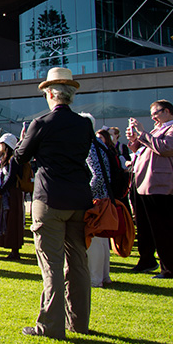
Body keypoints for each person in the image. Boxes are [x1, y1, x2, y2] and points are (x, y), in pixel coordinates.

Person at [15, 67, 93, 339]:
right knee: (78, 263)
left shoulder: (42, 123)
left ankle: (50, 325)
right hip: (79, 198)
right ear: (71, 95)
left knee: (51, 265)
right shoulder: (84, 124)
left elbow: (20, 157)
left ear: (50, 94)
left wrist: (25, 139)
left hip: (50, 197)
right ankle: (78, 322)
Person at [126, 99, 173, 279]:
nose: (153, 117)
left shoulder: (171, 129)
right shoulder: (156, 129)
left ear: (167, 111)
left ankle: (169, 268)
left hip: (160, 184)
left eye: (156, 113)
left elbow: (165, 148)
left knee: (162, 228)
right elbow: (143, 149)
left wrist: (142, 133)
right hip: (143, 183)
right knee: (145, 226)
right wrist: (134, 140)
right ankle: (147, 260)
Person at [82, 121, 114, 287]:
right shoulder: (100, 144)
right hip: (105, 196)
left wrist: (87, 194)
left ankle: (95, 278)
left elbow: (98, 175)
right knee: (101, 240)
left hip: (96, 199)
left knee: (94, 238)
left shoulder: (89, 146)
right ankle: (104, 275)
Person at [0, 133, 27, 260]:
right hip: (11, 193)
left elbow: (11, 178)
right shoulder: (11, 159)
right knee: (9, 219)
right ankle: (13, 249)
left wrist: (1, 190)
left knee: (12, 220)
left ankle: (14, 250)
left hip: (12, 194)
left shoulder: (13, 159)